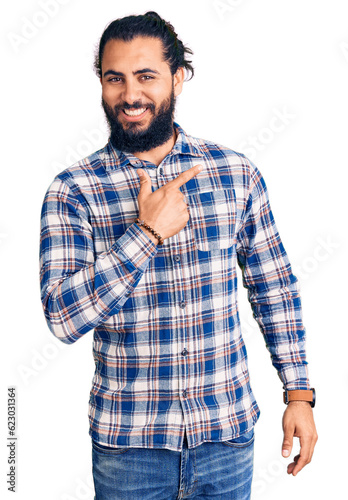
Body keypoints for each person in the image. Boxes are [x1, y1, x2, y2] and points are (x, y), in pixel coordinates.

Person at [39, 11, 317, 500]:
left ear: (178, 78)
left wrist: (299, 394)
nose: (130, 95)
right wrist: (147, 232)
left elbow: (273, 287)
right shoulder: (73, 191)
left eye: (146, 76)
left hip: (226, 439)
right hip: (130, 451)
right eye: (114, 78)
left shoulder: (234, 173)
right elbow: (63, 318)